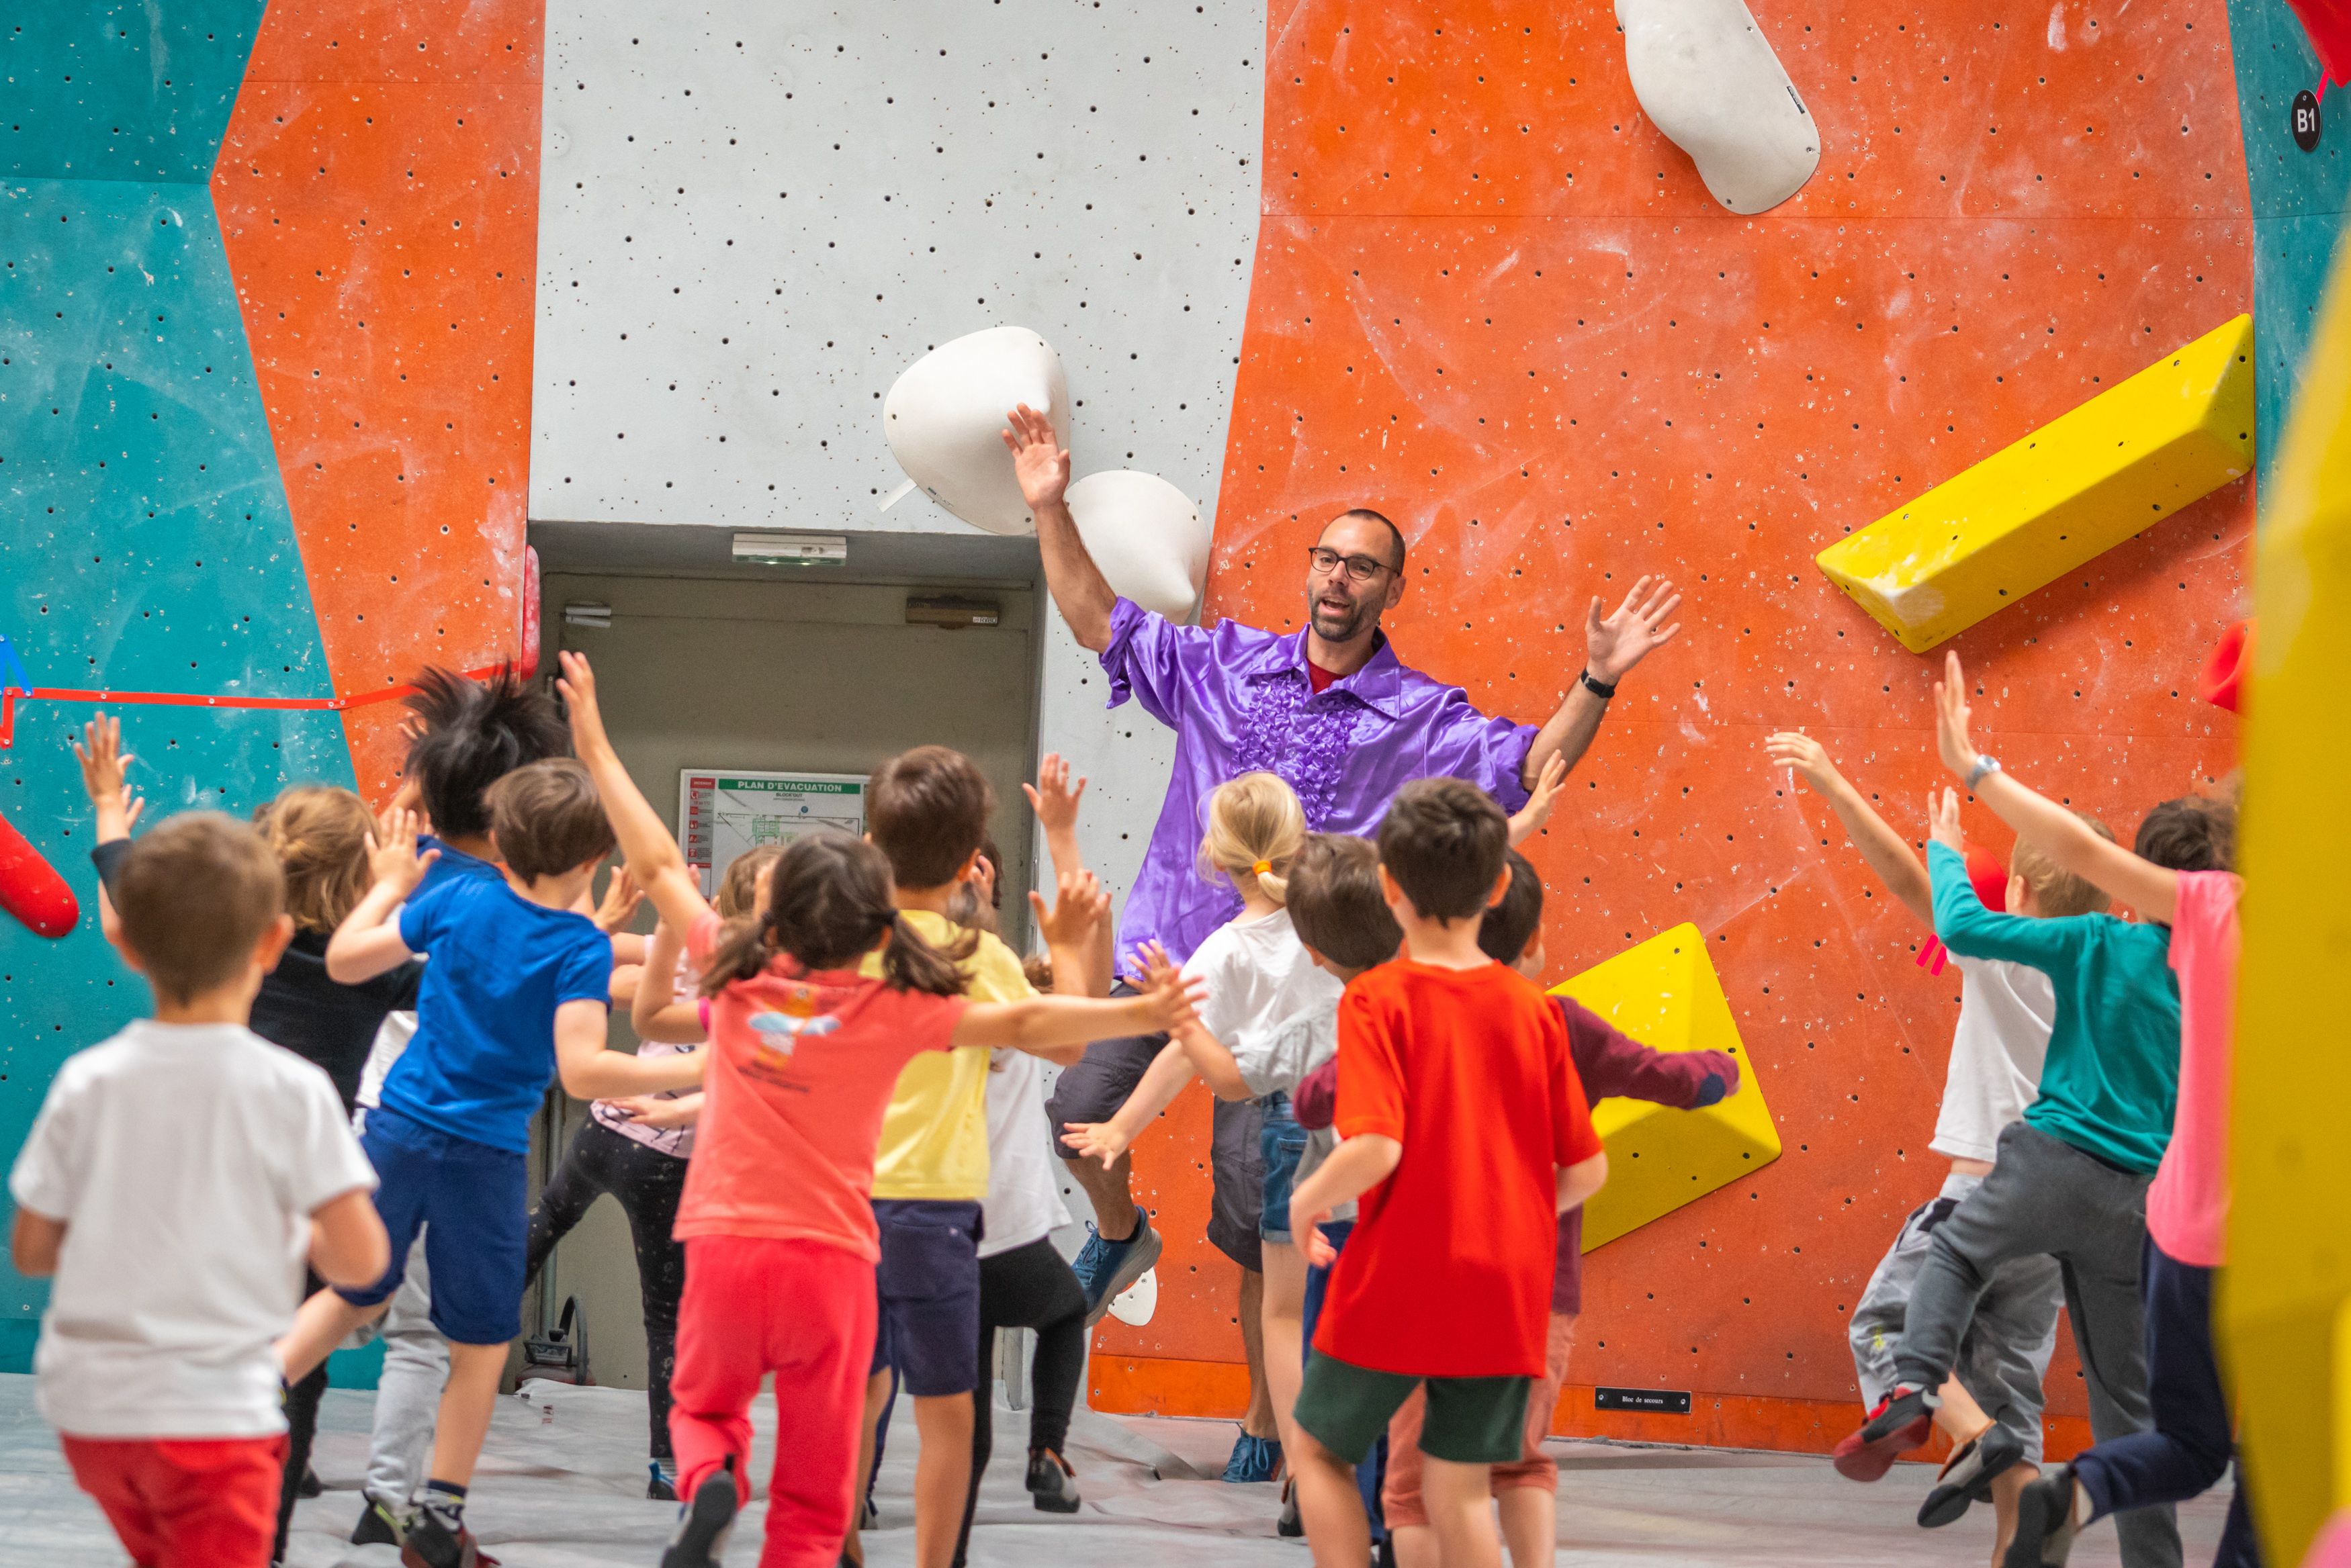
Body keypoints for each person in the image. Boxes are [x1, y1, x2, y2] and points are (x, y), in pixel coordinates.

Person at [1001, 404, 1684, 1360]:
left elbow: (1533, 767)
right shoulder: (1223, 665)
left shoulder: (1422, 715)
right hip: (1172, 949)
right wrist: (1048, 504)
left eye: (1362, 565)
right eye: (1327, 557)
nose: (1338, 576)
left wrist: (1599, 679)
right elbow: (1096, 620)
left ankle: (1261, 1418)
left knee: (1259, 1206)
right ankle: (1120, 1236)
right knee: (1075, 1108)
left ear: (1391, 588)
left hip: (1294, 992)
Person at [550, 649, 1202, 1568]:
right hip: (871, 1247)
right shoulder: (905, 995)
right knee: (879, 1454)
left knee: (745, 1406)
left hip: (753, 1236)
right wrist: (1143, 1007)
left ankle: (724, 1485)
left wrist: (594, 741)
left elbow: (656, 861)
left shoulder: (754, 981)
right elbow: (1032, 1022)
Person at [274, 759, 705, 1568]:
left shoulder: (454, 896)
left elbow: (345, 961)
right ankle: (438, 1508)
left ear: (500, 842)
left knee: (351, 1290)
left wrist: (390, 880)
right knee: (477, 1344)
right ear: (588, 862)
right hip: (484, 1160)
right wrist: (699, 1067)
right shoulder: (577, 946)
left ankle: (245, 1395)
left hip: (396, 1132)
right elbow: (583, 1072)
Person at [1846, 652, 2219, 1568]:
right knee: (2129, 1405)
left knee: (1956, 1255)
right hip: (2141, 1204)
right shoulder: (2215, 980)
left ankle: (1915, 1388)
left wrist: (1945, 832)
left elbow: (1960, 923)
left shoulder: (2094, 941)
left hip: (2044, 1162)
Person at [1765, 731, 2115, 1565]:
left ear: (2019, 888)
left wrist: (1836, 784)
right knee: (2010, 1377)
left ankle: (1970, 1432)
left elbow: (1904, 881)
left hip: (1980, 1197)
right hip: (2060, 1221)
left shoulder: (1999, 952)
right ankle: (2018, 1534)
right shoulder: (2114, 974)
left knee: (1885, 1322)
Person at [9, 811, 390, 1568]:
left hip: (92, 1416)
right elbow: (360, 1265)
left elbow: (33, 1248)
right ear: (272, 940)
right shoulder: (294, 1090)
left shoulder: (88, 1080)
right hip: (211, 1418)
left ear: (128, 942)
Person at [1367, 847, 1738, 1568]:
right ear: (1532, 942)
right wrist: (1716, 1071)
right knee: (1517, 1459)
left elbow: (1337, 1102)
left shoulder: (1403, 1016)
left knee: (1412, 1490)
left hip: (1426, 1287)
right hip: (1532, 1292)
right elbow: (1667, 1076)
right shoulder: (1562, 1024)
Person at [1283, 778, 1609, 1568]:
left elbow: (1377, 1147)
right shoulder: (1536, 1012)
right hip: (1504, 1287)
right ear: (1499, 886)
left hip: (1398, 1275)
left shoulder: (1376, 999)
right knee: (1459, 1490)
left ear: (1389, 888)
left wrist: (1307, 1198)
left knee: (1319, 1451)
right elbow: (1586, 1168)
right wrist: (1516, 1221)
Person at [842, 744, 1121, 1568]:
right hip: (936, 1216)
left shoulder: (844, 944)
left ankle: (839, 1539)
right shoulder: (977, 961)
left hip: (843, 1206)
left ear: (870, 845)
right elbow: (1071, 1036)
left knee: (859, 1388)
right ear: (971, 861)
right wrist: (1068, 916)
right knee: (949, 1411)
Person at [343, 665, 584, 1552]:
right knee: (425, 1332)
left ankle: (398, 1502)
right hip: (433, 1124)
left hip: (399, 1117)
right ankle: (404, 1503)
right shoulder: (478, 890)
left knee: (401, 1324)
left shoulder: (416, 871)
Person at [1061, 770, 1337, 1479]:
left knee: (1282, 1301)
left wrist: (1121, 1129)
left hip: (1282, 1123)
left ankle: (1299, 1455)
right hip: (1354, 1124)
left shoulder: (1227, 948)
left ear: (1214, 857)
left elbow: (1186, 1052)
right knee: (1334, 1293)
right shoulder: (1334, 917)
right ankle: (1323, 1448)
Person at [519, 846, 775, 1505]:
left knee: (542, 1227)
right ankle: (667, 1464)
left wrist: (601, 920)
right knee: (665, 1318)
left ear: (719, 903)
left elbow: (601, 964)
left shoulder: (689, 953)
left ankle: (451, 1343)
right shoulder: (777, 988)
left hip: (605, 1130)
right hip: (669, 1163)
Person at [950, 759, 1110, 1566]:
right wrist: (1060, 835)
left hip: (915, 1223)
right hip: (997, 1224)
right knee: (1061, 1311)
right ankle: (1047, 1447)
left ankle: (863, 1492)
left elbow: (1078, 978)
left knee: (929, 1395)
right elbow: (1081, 1002)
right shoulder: (1003, 977)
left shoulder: (885, 962)